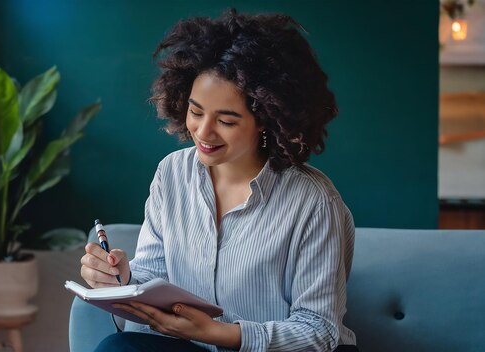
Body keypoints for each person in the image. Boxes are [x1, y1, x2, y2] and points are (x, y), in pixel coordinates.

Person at [80, 9, 358, 352]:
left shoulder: (314, 201)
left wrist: (217, 332)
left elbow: (319, 330)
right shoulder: (172, 174)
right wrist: (121, 278)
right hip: (195, 347)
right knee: (115, 348)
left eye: (226, 121)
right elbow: (152, 276)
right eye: (196, 112)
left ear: (267, 120)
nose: (203, 131)